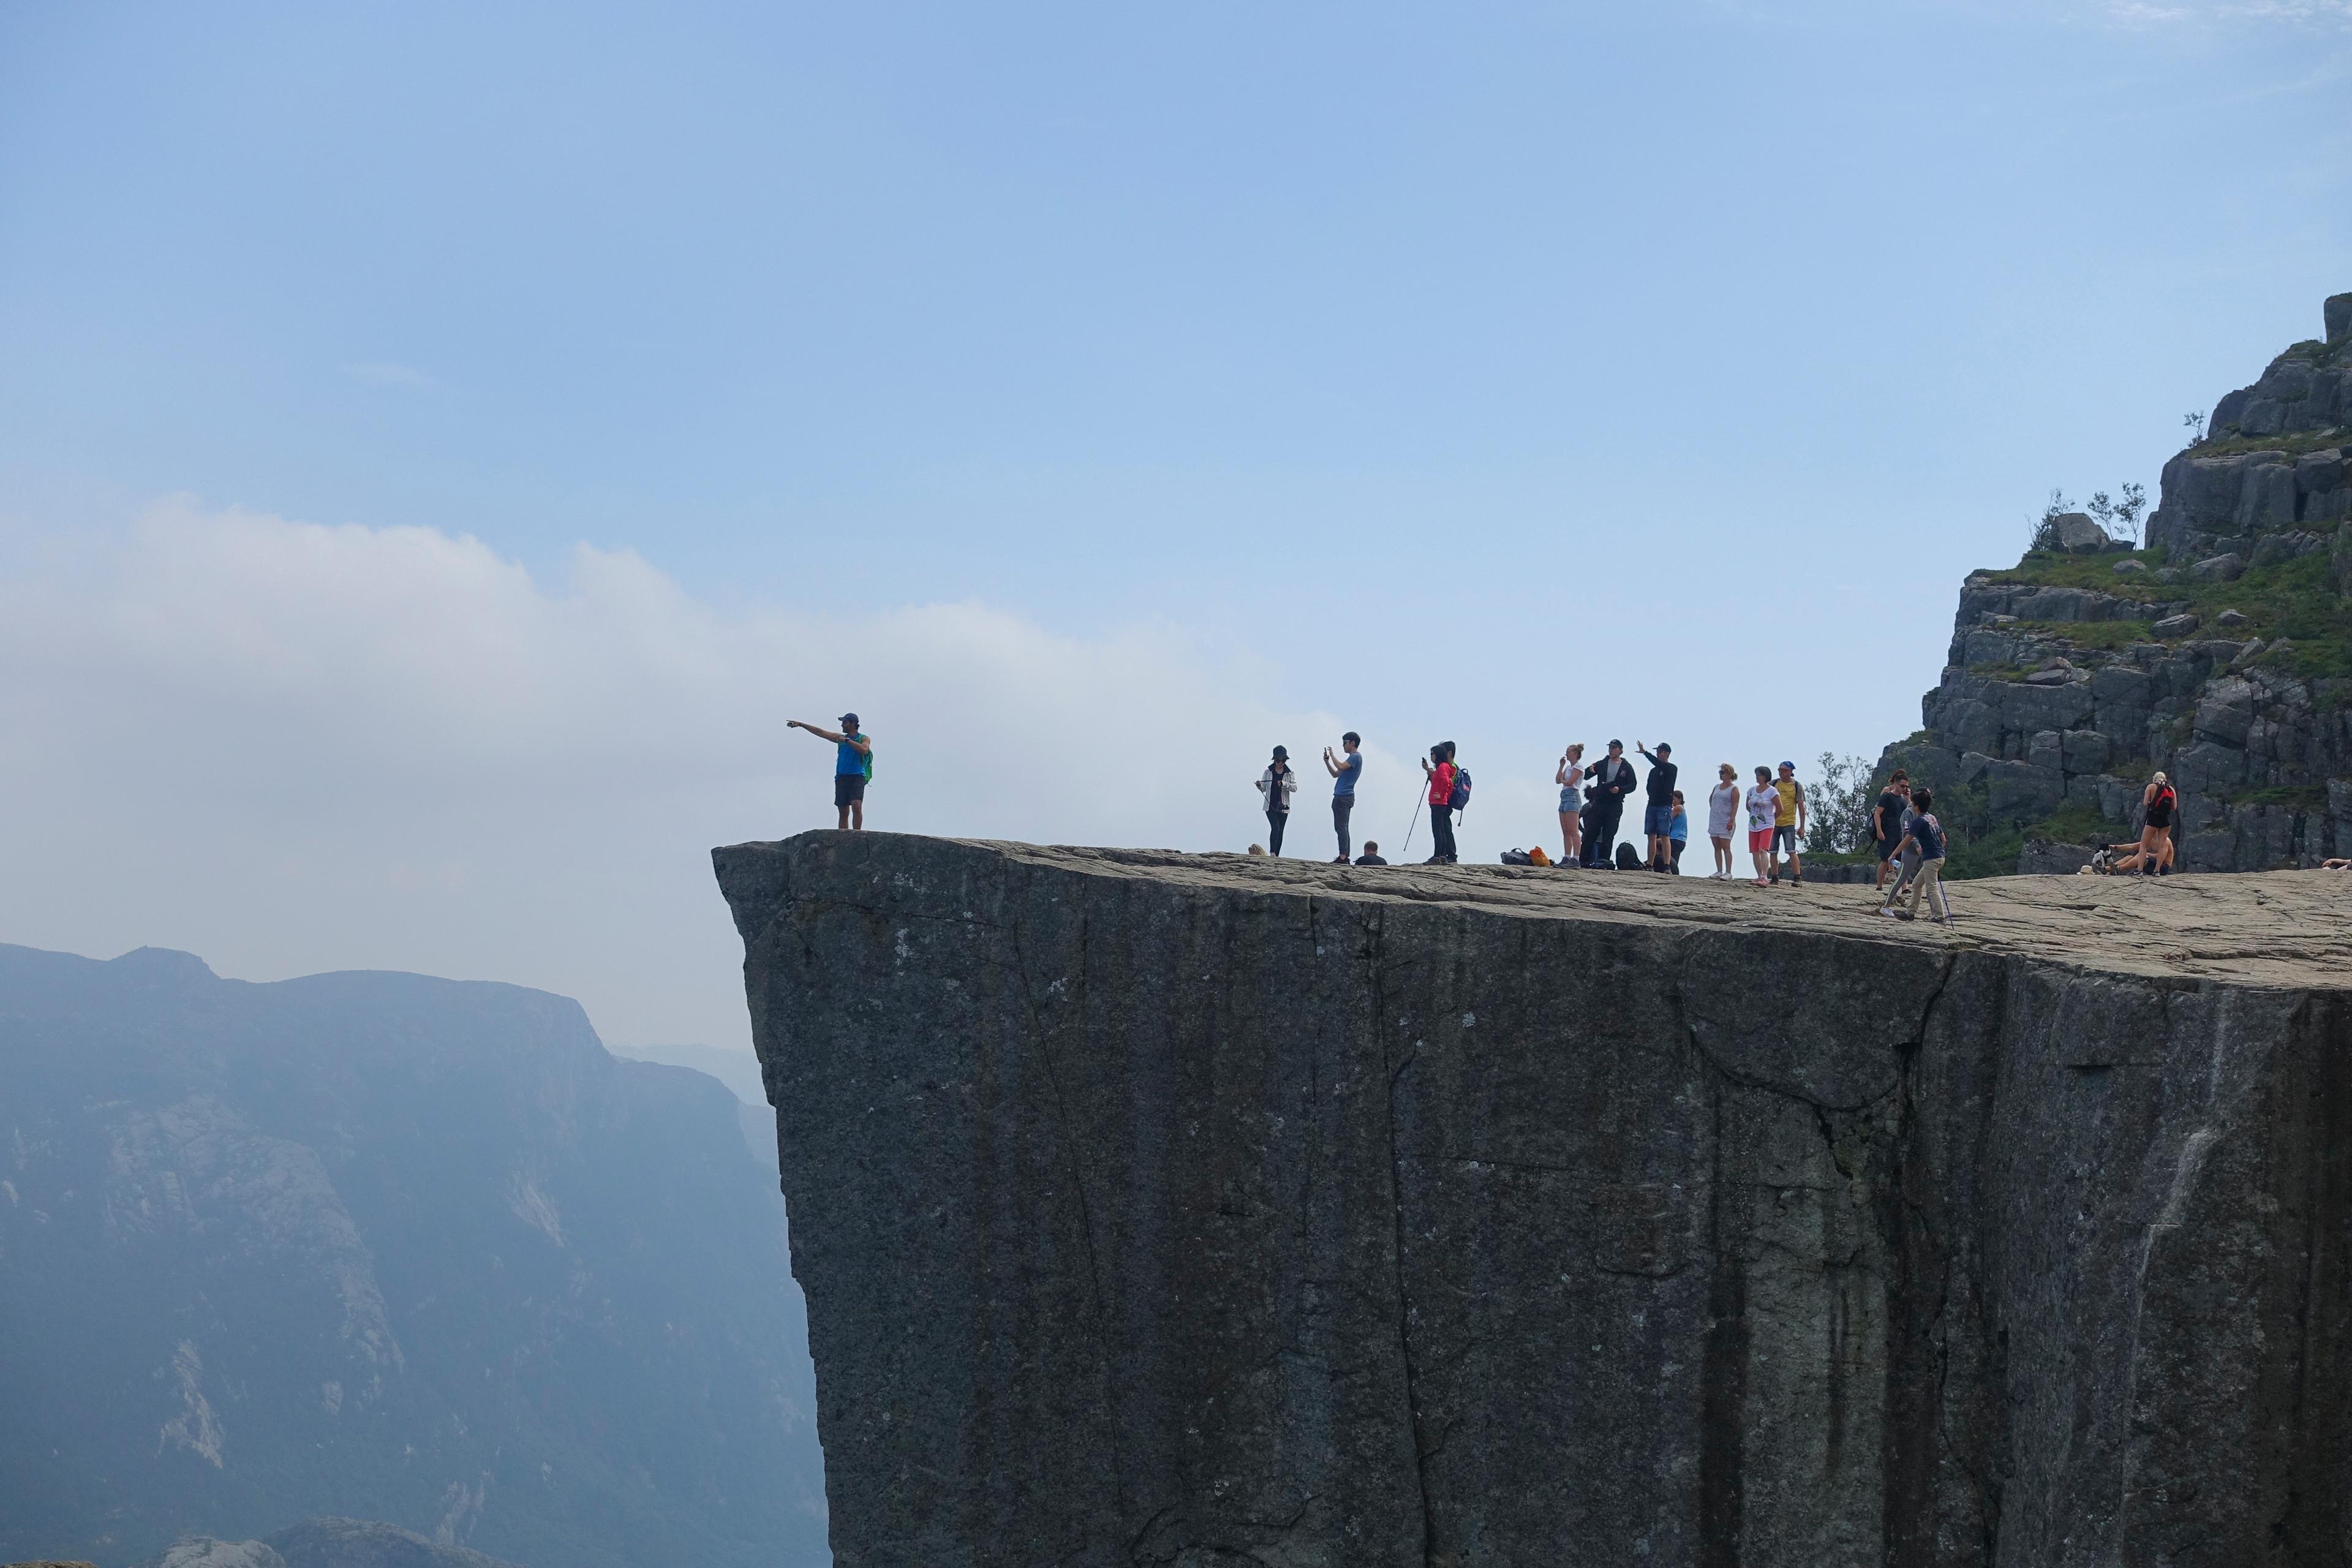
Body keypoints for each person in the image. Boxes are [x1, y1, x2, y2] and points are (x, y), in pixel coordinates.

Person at [787, 712, 872, 829]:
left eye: (845, 723)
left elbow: (864, 750)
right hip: (842, 777)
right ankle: (844, 835)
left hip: (857, 776)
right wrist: (801, 724)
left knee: (857, 806)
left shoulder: (863, 738)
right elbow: (821, 732)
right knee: (843, 810)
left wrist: (847, 741)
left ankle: (857, 834)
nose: (842, 725)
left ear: (853, 724)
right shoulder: (840, 739)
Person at [1879, 786, 1951, 922]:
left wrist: (1893, 855)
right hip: (1939, 856)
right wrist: (1938, 851)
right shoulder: (1932, 818)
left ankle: (1938, 916)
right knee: (1917, 884)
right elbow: (1943, 839)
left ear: (1916, 806)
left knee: (1932, 888)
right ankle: (1910, 913)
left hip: (1932, 859)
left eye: (1913, 804)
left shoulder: (1919, 821)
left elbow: (1907, 840)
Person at [2109, 772, 2177, 876]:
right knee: (2162, 846)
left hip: (2153, 819)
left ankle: (2139, 870)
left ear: (2154, 779)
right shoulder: (2171, 789)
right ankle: (2157, 871)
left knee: (2144, 845)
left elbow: (2145, 803)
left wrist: (2153, 805)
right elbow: (2174, 807)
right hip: (2165, 821)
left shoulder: (2151, 787)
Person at [1582, 741, 1636, 868]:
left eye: (1614, 748)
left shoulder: (1626, 767)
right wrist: (1590, 770)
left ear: (1620, 750)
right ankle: (1583, 860)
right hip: (1599, 803)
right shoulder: (1602, 763)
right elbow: (1585, 775)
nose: (1611, 750)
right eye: (1610, 748)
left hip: (1615, 804)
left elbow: (1632, 785)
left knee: (1609, 834)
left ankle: (1603, 862)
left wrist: (1620, 790)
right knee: (1591, 832)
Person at [1635, 741, 1678, 872]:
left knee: (1665, 835)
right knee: (1651, 835)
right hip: (1652, 804)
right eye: (1657, 752)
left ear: (1667, 753)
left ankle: (1667, 865)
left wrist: (1646, 754)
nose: (1658, 754)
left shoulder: (1672, 769)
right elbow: (1649, 786)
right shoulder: (1654, 771)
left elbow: (1660, 764)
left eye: (1660, 752)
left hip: (1664, 806)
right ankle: (1650, 864)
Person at [1324, 733, 1365, 864]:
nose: (1343, 745)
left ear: (1353, 743)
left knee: (1342, 827)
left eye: (1345, 742)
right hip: (1341, 796)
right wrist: (1327, 762)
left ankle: (1343, 856)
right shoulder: (1351, 760)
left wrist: (1333, 755)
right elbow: (1336, 774)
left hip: (1344, 796)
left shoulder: (1356, 757)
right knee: (1340, 827)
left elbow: (1340, 766)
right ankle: (1344, 855)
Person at [1872, 771, 1912, 891]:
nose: (1904, 788)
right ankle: (1879, 886)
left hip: (1900, 834)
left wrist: (1908, 798)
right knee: (1885, 860)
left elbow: (1911, 813)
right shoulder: (1887, 797)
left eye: (1906, 786)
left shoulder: (1904, 800)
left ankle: (1904, 888)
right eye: (1902, 786)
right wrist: (1879, 831)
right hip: (1887, 833)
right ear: (1895, 784)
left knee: (1900, 861)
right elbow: (1877, 814)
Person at [1770, 760, 1807, 886]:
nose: (1781, 772)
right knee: (1773, 851)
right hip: (1773, 822)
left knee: (1791, 850)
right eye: (1780, 770)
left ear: (1791, 772)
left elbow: (1802, 808)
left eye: (1784, 770)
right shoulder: (1773, 784)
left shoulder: (1796, 786)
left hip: (1789, 823)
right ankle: (1774, 877)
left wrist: (1802, 827)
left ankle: (1797, 877)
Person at [1420, 744, 1459, 864]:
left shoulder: (1442, 767)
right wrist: (1428, 770)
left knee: (1438, 830)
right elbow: (1442, 779)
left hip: (1438, 802)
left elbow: (1447, 782)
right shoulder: (1445, 767)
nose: (1431, 757)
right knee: (1441, 830)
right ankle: (1442, 856)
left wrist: (1442, 795)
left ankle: (1437, 856)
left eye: (1432, 754)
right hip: (1440, 802)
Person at [1256, 746, 1298, 856]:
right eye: (1278, 761)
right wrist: (1259, 785)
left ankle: (1276, 855)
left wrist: (1284, 784)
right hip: (1270, 805)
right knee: (1275, 827)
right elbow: (1264, 788)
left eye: (1283, 761)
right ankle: (1272, 852)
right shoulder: (1268, 772)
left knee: (1281, 830)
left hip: (1283, 806)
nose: (1280, 763)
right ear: (1274, 760)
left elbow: (1295, 788)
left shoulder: (1290, 773)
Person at [1744, 766, 1779, 887]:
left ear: (1765, 776)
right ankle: (1759, 876)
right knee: (1754, 851)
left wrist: (1773, 818)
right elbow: (1748, 806)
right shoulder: (1752, 790)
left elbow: (1780, 808)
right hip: (1754, 824)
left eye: (1759, 774)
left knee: (1763, 850)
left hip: (1767, 824)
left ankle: (1765, 876)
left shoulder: (1772, 791)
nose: (1757, 777)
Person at [1555, 743, 1587, 867]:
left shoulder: (1578, 766)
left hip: (1572, 796)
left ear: (1575, 753)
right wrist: (1561, 766)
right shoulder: (1568, 767)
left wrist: (1564, 781)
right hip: (1564, 797)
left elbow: (1570, 782)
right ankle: (1567, 857)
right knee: (1566, 831)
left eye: (1569, 752)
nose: (1566, 754)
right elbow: (1558, 780)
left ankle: (1576, 858)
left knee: (1574, 830)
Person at [1706, 763, 1740, 879]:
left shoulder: (1733, 789)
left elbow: (1735, 804)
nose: (1721, 775)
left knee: (1726, 846)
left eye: (1723, 772)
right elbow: (1711, 799)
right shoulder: (1716, 787)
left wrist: (1731, 819)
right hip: (1715, 820)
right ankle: (1719, 870)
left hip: (1726, 821)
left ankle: (1728, 872)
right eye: (1720, 772)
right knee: (1716, 846)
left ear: (1729, 774)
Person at [1668, 791, 1689, 874]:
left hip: (1675, 838)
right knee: (1674, 860)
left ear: (1680, 799)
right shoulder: (1682, 809)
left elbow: (1668, 820)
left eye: (1674, 799)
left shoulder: (1678, 808)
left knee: (1672, 861)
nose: (1672, 801)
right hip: (1681, 839)